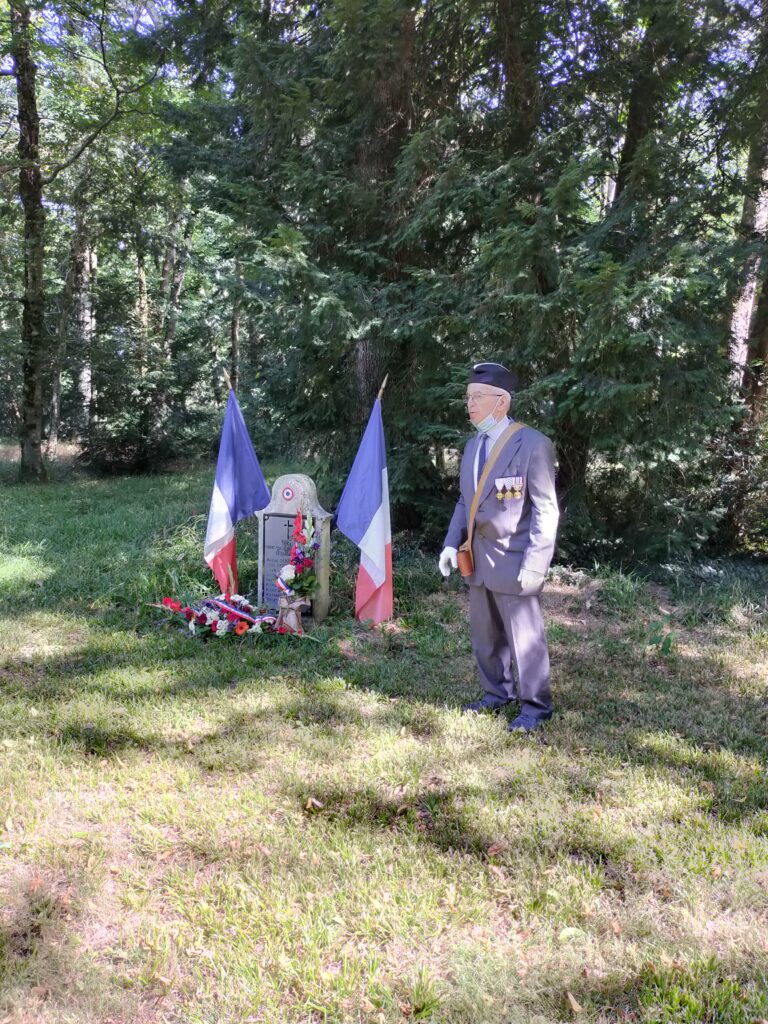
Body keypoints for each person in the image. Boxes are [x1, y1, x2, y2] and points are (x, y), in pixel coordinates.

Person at [439, 362, 560, 732]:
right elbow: (466, 502)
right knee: (485, 636)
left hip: (516, 558)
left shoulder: (532, 445)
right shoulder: (473, 445)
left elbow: (545, 509)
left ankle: (536, 707)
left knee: (526, 639)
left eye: (478, 397)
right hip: (476, 558)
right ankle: (496, 694)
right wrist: (449, 544)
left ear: (502, 403)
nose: (469, 404)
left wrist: (536, 564)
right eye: (468, 397)